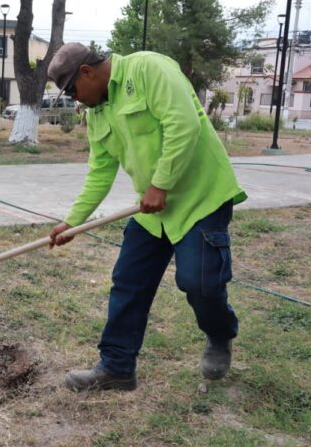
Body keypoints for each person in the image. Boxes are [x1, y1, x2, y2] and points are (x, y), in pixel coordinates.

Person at [47, 43, 246, 391]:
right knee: (128, 281)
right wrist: (72, 221)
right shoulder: (97, 113)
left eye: (73, 91)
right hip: (152, 210)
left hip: (201, 198)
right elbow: (100, 172)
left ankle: (220, 334)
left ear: (86, 72)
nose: (76, 100)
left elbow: (184, 125)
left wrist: (161, 184)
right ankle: (117, 367)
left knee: (199, 282)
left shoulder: (148, 69)